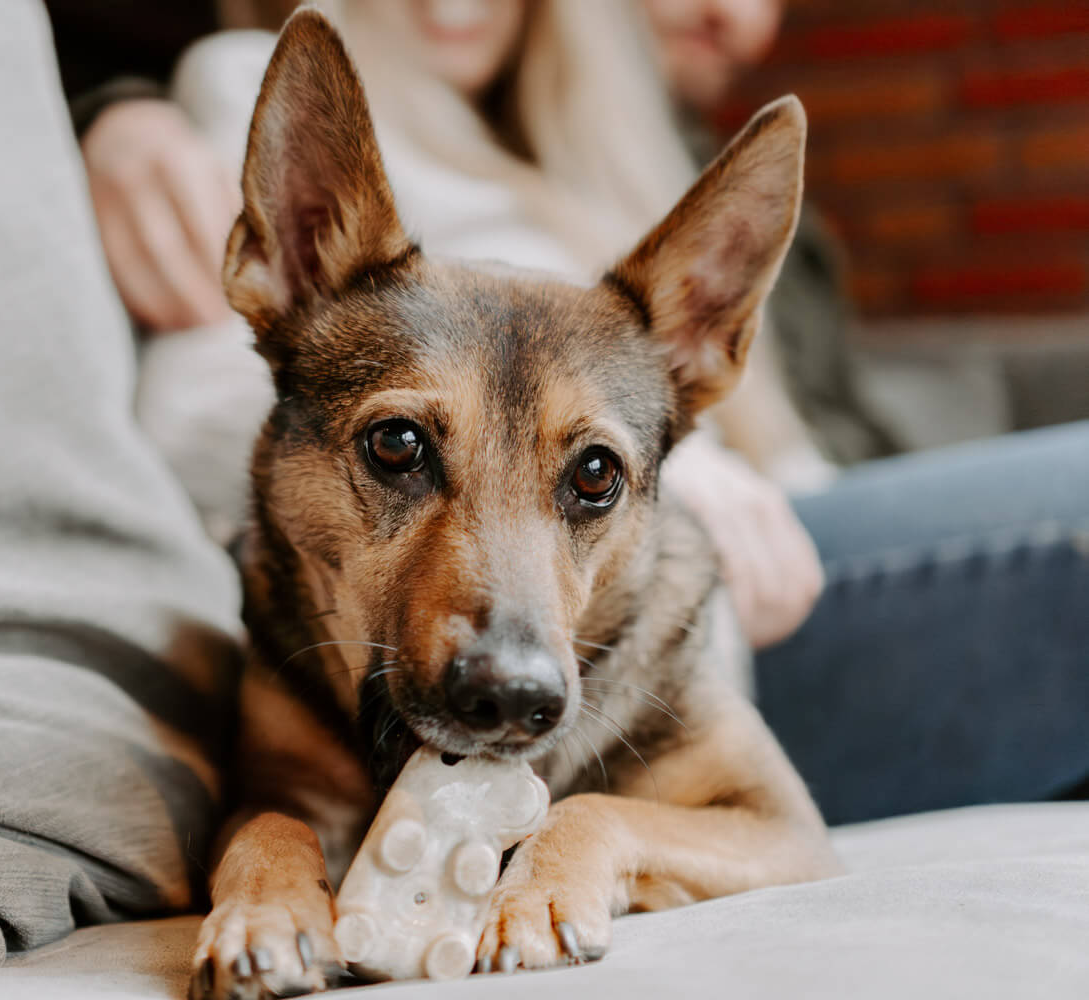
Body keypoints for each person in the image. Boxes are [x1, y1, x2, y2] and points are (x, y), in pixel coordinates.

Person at [145, 0, 1089, 824]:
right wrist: (666, 463)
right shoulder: (262, 92)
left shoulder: (588, 129)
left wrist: (638, 447)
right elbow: (210, 387)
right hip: (729, 586)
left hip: (749, 542)